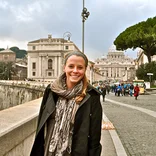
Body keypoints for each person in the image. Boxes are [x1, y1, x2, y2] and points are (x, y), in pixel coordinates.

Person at [30, 51, 102, 156]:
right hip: (49, 151)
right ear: (64, 68)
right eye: (71, 66)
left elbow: (95, 135)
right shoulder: (51, 91)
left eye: (80, 67)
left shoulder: (92, 96)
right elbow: (41, 124)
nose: (75, 71)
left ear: (85, 70)